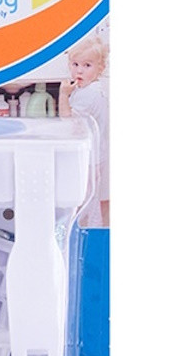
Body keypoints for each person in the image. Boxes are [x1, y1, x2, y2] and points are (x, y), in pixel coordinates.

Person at [59, 36, 109, 226]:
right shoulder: (94, 88)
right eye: (75, 64)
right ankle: (92, 224)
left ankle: (84, 225)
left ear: (100, 69)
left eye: (87, 65)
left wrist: (63, 94)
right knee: (92, 195)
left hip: (89, 157)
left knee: (83, 197)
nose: (79, 70)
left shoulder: (87, 95)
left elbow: (66, 120)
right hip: (97, 154)